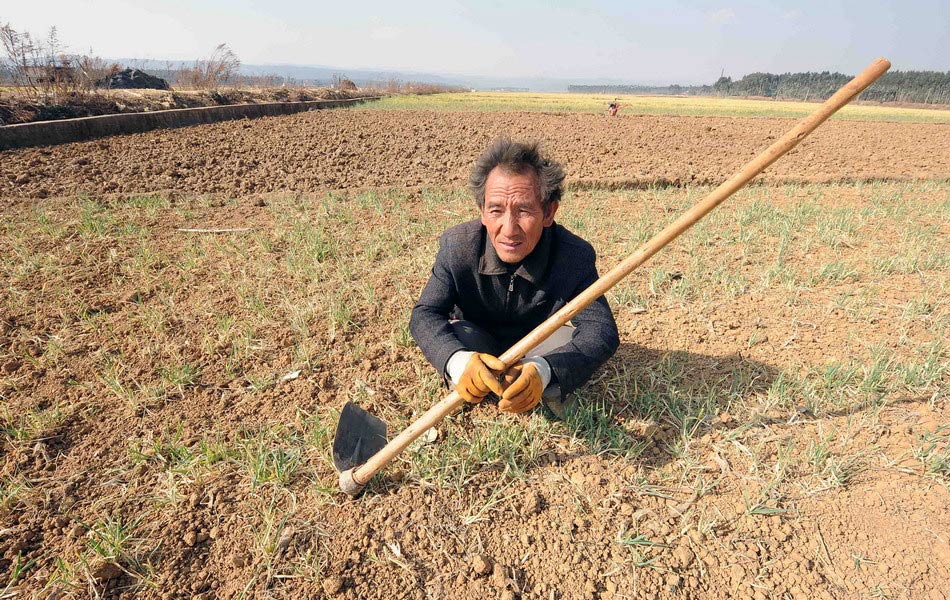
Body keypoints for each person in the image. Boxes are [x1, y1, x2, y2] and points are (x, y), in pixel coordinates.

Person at [409, 138, 619, 418]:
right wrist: (458, 361)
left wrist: (544, 371)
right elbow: (425, 314)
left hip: (539, 347)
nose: (509, 230)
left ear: (549, 212)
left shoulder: (574, 257)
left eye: (524, 210)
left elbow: (601, 330)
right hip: (475, 342)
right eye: (496, 210)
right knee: (459, 334)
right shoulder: (457, 247)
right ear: (482, 211)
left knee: (565, 341)